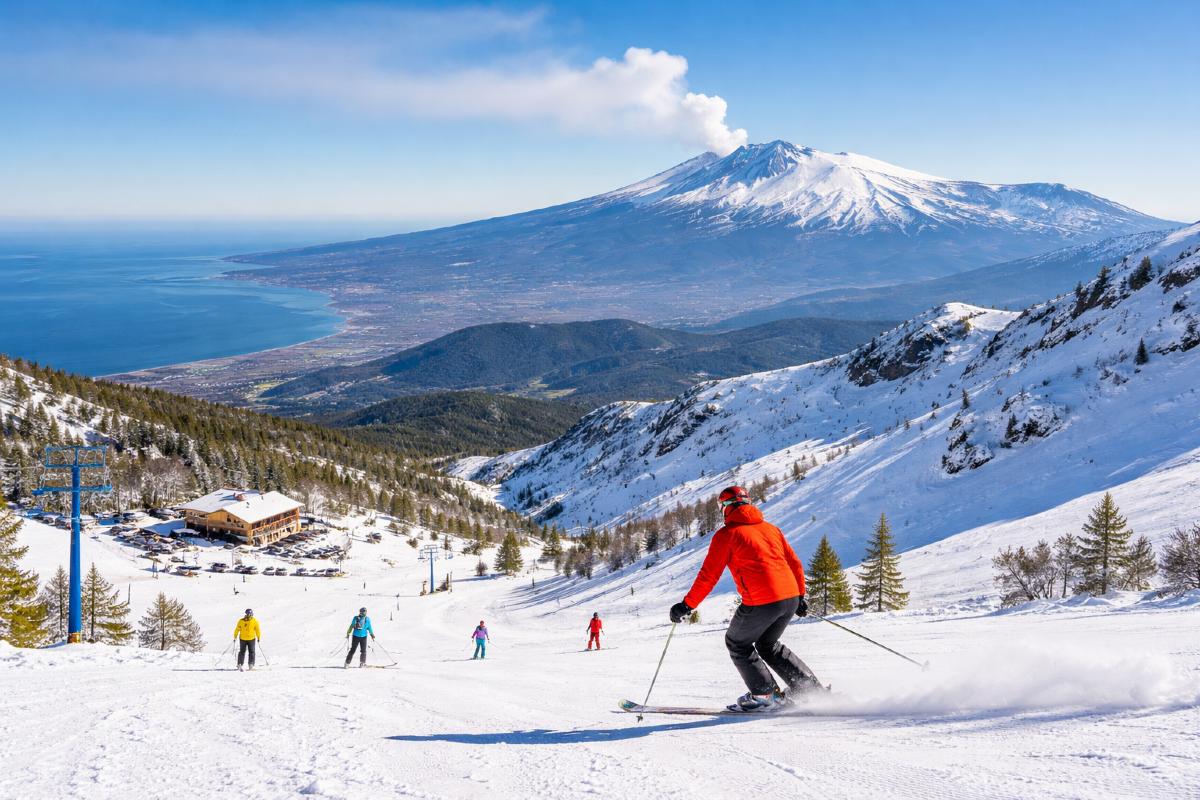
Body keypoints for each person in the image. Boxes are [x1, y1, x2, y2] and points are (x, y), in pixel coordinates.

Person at [668, 486, 818, 711]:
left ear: (725, 508)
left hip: (763, 602)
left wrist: (687, 605)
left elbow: (709, 576)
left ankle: (765, 696)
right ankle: (809, 688)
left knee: (737, 643)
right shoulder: (771, 529)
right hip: (790, 599)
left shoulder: (727, 535)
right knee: (768, 645)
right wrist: (800, 595)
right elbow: (794, 563)